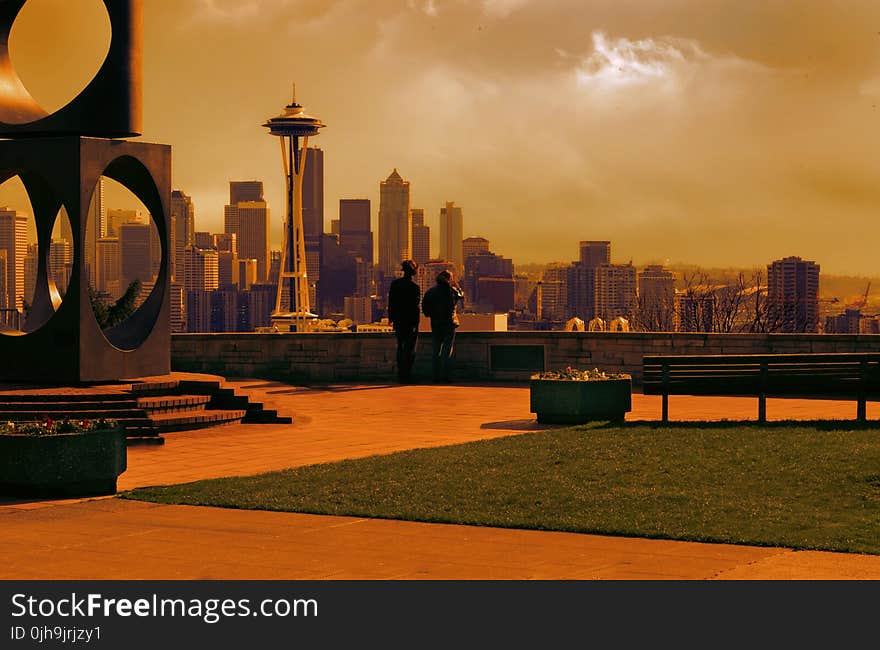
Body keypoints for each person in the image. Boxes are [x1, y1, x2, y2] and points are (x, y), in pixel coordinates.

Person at [421, 269, 464, 383]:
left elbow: (425, 309)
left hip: (436, 323)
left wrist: (432, 314)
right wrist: (457, 285)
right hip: (449, 323)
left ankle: (435, 376)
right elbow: (461, 295)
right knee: (447, 350)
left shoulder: (430, 292)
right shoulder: (452, 291)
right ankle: (446, 376)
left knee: (436, 350)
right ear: (450, 279)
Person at [387, 259, 421, 383]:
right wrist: (416, 322)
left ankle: (401, 374)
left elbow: (391, 303)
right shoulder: (414, 287)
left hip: (399, 320)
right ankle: (407, 374)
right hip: (411, 322)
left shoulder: (395, 284)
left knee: (400, 346)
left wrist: (391, 319)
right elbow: (415, 306)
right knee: (410, 348)